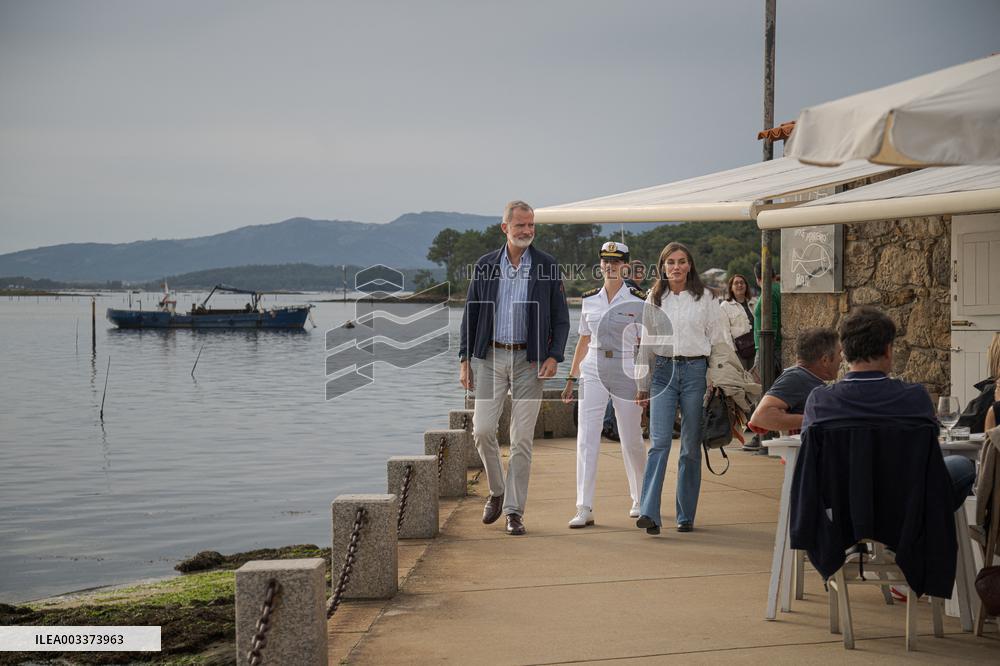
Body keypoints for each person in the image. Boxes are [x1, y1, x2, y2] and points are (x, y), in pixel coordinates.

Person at [459, 200, 570, 536]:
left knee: (521, 439)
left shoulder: (547, 266)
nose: (527, 231)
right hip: (490, 358)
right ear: (505, 228)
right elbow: (471, 315)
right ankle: (497, 490)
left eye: (531, 225)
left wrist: (554, 356)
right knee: (482, 430)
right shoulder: (485, 266)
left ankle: (514, 511)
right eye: (520, 225)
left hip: (530, 361)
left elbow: (561, 318)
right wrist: (465, 360)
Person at [802, 307, 976, 511]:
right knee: (962, 466)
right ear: (888, 350)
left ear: (845, 353)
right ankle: (922, 532)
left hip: (841, 505)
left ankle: (860, 530)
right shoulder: (915, 397)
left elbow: (810, 458)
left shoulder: (820, 401)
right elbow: (932, 448)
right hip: (904, 504)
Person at [634, 242, 728, 535]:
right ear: (662, 266)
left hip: (695, 372)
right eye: (670, 262)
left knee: (689, 447)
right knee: (659, 443)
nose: (676, 267)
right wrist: (642, 383)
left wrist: (715, 378)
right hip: (662, 372)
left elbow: (719, 340)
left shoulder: (706, 298)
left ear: (690, 266)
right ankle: (649, 512)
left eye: (682, 261)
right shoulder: (654, 297)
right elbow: (646, 342)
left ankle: (685, 515)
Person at [561, 241, 647, 528]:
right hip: (593, 368)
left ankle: (640, 497)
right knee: (586, 437)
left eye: (615, 261)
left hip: (625, 367)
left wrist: (645, 382)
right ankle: (583, 506)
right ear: (600, 265)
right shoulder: (589, 300)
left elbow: (646, 343)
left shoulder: (638, 298)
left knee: (631, 438)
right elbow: (583, 340)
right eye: (605, 262)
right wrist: (572, 378)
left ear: (625, 265)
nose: (609, 266)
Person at [748, 328, 840, 438]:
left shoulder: (804, 378)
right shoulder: (796, 378)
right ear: (825, 360)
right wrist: (820, 419)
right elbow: (761, 417)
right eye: (839, 353)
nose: (842, 359)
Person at [602, 259, 649, 441]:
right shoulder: (633, 293)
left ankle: (609, 424)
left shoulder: (624, 290)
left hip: (617, 349)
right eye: (640, 273)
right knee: (622, 392)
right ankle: (610, 425)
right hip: (628, 351)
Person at [720, 273, 756, 371]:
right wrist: (733, 353)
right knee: (742, 378)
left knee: (756, 378)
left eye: (742, 283)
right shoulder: (725, 306)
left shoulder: (753, 302)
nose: (739, 285)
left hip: (755, 347)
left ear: (746, 286)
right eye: (736, 283)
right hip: (739, 351)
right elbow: (725, 331)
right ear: (731, 288)